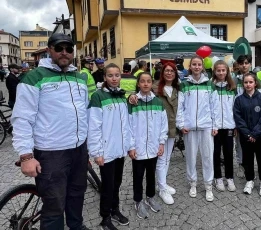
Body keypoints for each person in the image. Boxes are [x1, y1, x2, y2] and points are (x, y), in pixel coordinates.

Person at [11, 33, 90, 230]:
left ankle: (76, 226)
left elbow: (84, 113)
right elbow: (22, 118)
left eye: (69, 48)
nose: (64, 52)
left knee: (77, 194)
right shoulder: (34, 77)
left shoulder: (79, 78)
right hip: (51, 152)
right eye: (59, 48)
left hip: (79, 149)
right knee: (54, 206)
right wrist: (26, 155)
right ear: (49, 50)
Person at [88, 63, 130, 229]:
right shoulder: (98, 97)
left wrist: (128, 145)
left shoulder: (121, 95)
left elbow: (125, 124)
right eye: (110, 75)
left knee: (117, 182)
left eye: (117, 75)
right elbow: (94, 127)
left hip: (119, 150)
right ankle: (105, 217)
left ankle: (115, 210)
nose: (114, 78)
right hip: (106, 151)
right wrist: (97, 152)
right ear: (104, 77)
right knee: (107, 185)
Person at [176, 56, 220, 202]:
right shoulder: (184, 84)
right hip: (189, 128)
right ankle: (193, 183)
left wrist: (215, 125)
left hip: (206, 126)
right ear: (190, 66)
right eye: (194, 64)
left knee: (207, 157)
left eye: (199, 64)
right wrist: (181, 125)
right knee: (191, 157)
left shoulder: (210, 84)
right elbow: (180, 107)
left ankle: (208, 185)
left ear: (202, 67)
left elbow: (215, 106)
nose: (196, 67)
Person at [128, 72, 168, 219]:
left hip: (153, 147)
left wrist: (161, 143)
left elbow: (164, 125)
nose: (145, 84)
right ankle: (138, 201)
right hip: (138, 148)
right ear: (138, 84)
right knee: (138, 176)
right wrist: (131, 146)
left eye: (148, 81)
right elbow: (129, 126)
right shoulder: (133, 102)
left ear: (152, 84)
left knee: (151, 175)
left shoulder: (158, 103)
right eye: (142, 81)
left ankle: (150, 197)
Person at [233, 73, 261, 197]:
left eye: (250, 82)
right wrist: (247, 133)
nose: (248, 84)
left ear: (255, 83)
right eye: (246, 82)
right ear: (243, 84)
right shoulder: (239, 100)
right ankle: (249, 180)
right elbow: (238, 119)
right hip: (246, 136)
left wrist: (255, 133)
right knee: (247, 159)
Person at [233, 55, 261, 178]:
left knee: (258, 145)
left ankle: (258, 167)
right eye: (241, 63)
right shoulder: (234, 80)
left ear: (250, 64)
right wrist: (235, 123)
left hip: (256, 120)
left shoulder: (257, 80)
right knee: (240, 145)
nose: (244, 65)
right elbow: (231, 101)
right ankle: (242, 165)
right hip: (241, 120)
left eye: (246, 63)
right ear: (238, 64)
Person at [212, 60, 237, 192]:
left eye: (223, 70)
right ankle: (218, 177)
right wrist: (211, 125)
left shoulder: (232, 88)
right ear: (215, 72)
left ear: (227, 71)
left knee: (228, 153)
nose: (221, 72)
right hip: (215, 127)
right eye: (218, 70)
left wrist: (235, 126)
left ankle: (229, 177)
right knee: (215, 153)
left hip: (228, 126)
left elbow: (235, 108)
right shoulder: (211, 87)